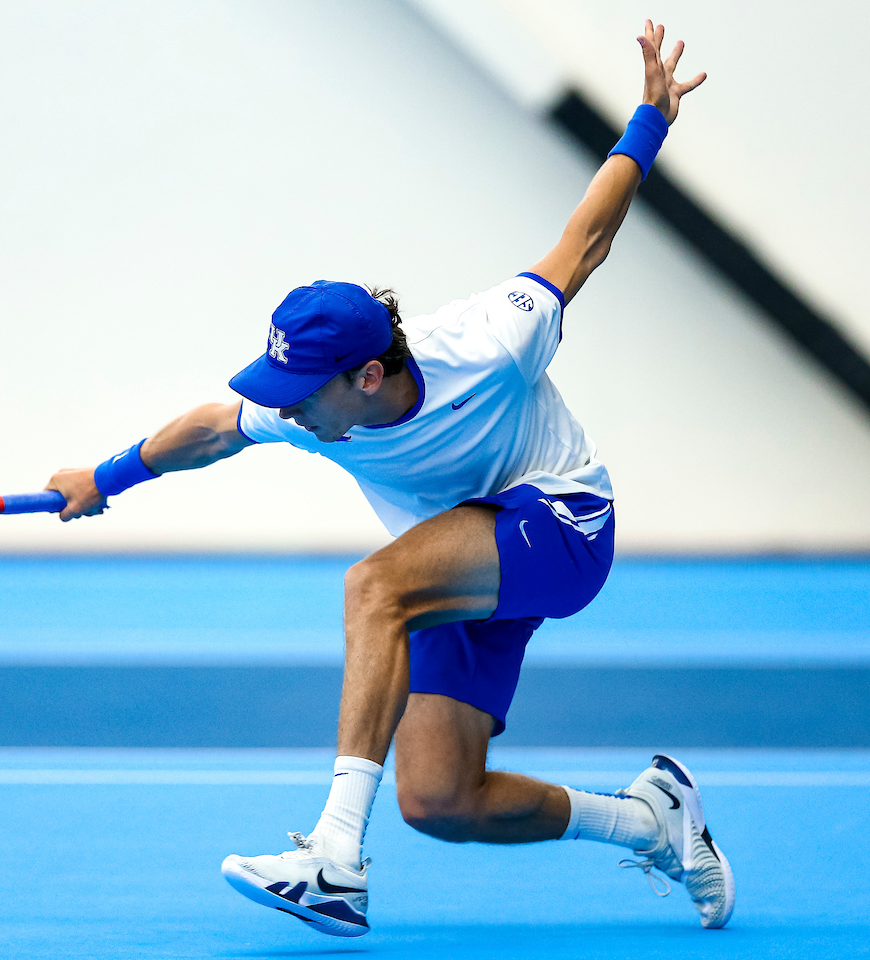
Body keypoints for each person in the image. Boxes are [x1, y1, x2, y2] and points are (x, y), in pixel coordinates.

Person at [46, 20, 731, 937]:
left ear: (369, 376)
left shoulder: (492, 340)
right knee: (442, 799)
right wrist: (105, 475)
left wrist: (648, 120)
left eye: (301, 390)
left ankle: (333, 858)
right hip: (467, 562)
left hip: (563, 523)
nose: (284, 410)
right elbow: (210, 428)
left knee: (375, 585)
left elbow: (584, 239)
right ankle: (649, 819)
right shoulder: (304, 409)